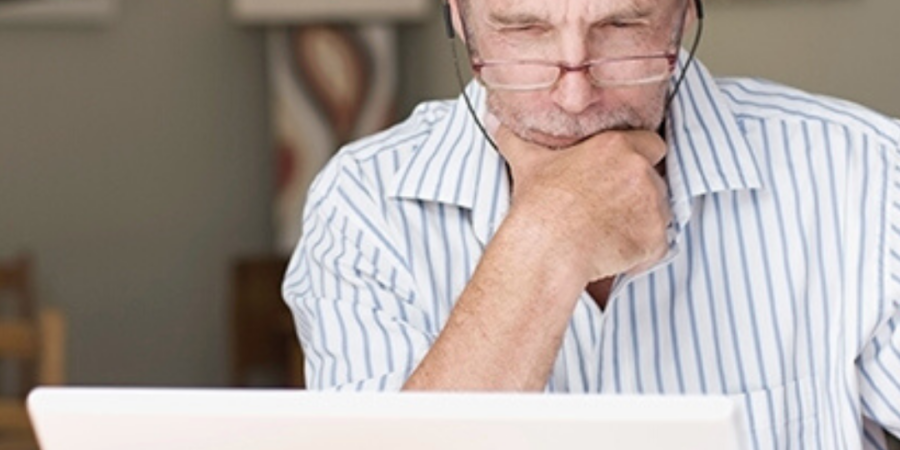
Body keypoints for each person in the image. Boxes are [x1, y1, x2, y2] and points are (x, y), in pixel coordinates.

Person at [282, 0, 900, 448]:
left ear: (685, 12)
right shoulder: (363, 204)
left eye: (621, 26)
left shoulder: (867, 174)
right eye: (523, 29)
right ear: (459, 17)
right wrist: (546, 240)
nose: (575, 96)